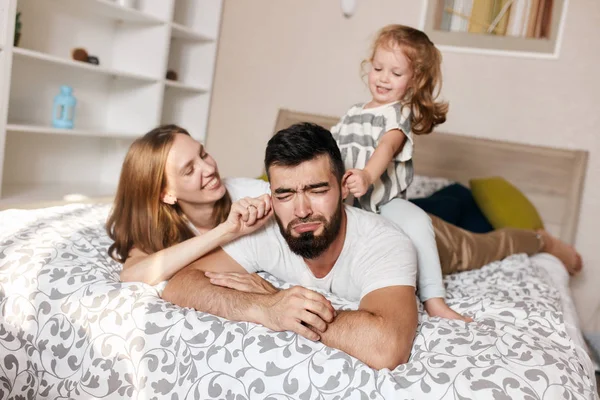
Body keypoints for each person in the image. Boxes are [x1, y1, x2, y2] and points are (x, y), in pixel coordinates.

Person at [330, 24, 582, 322]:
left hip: (383, 204)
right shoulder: (352, 114)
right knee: (448, 203)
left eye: (396, 73)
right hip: (359, 206)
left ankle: (437, 299)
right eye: (378, 68)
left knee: (425, 223)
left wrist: (368, 176)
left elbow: (385, 148)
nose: (384, 78)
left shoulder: (396, 116)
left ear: (413, 80)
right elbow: (328, 148)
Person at [164, 122, 419, 370]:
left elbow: (387, 346)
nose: (301, 211)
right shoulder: (263, 229)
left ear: (343, 188)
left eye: (317, 190)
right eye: (284, 195)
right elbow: (180, 285)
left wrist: (278, 299)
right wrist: (267, 307)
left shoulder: (384, 241)